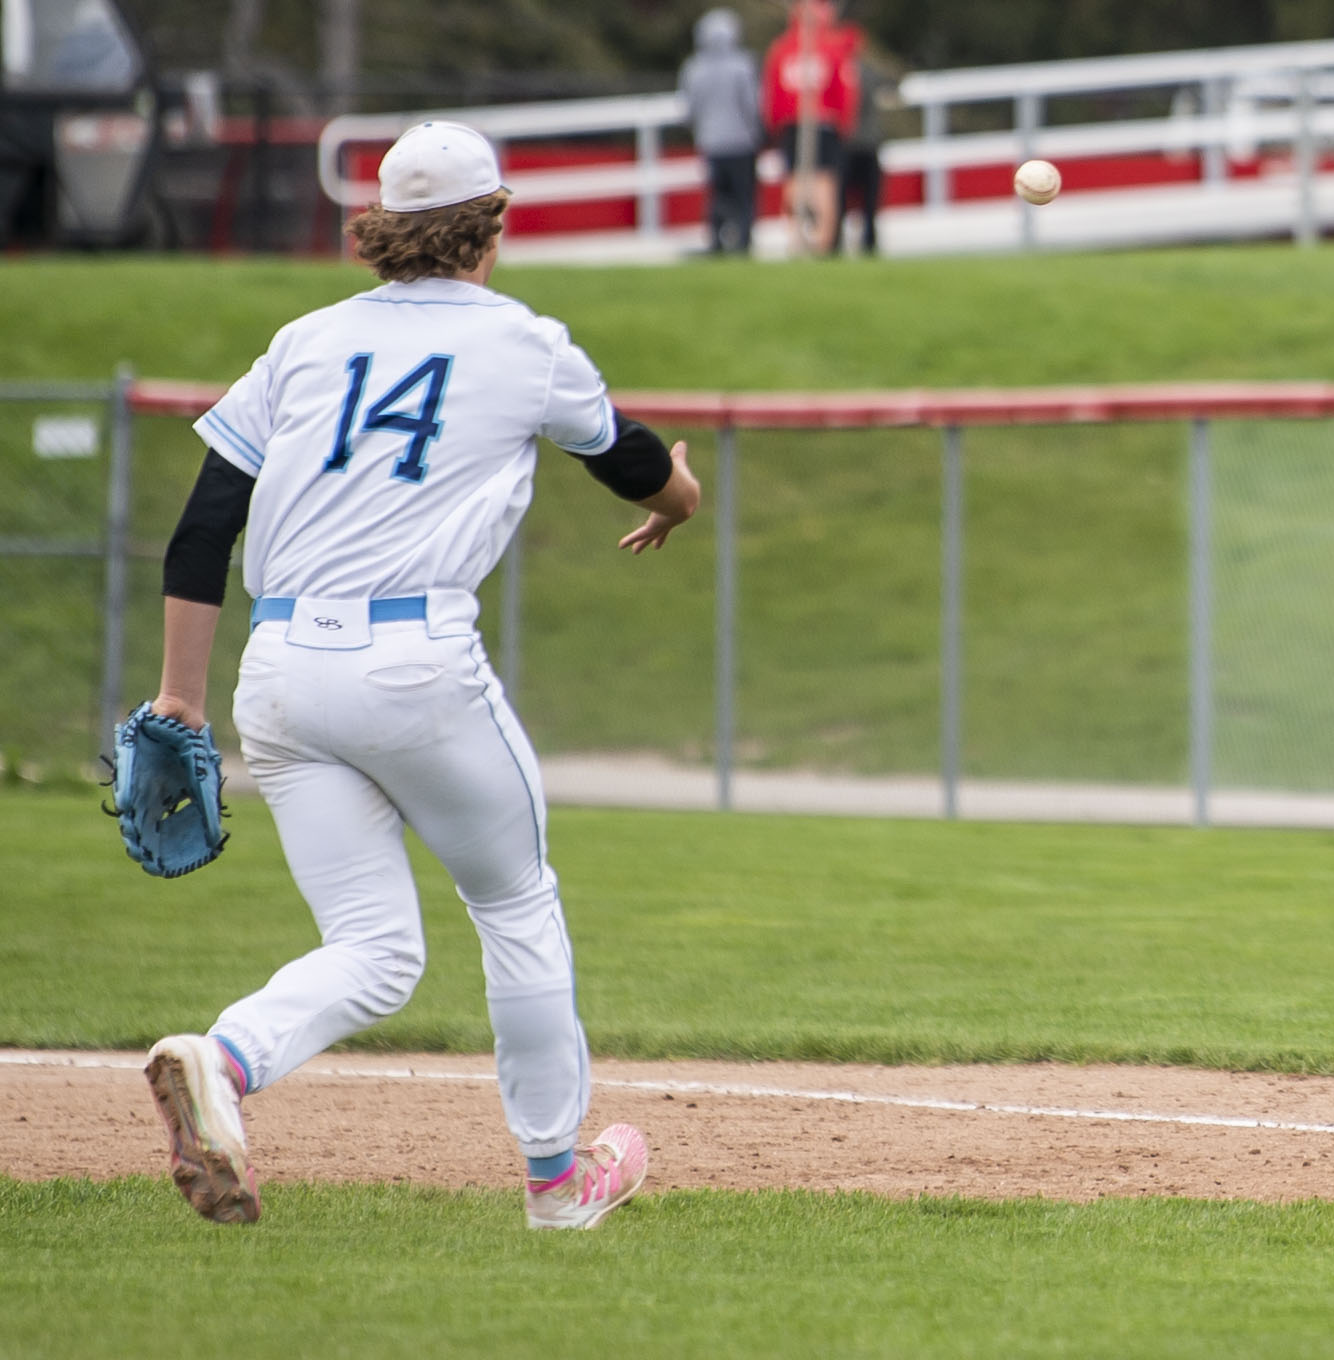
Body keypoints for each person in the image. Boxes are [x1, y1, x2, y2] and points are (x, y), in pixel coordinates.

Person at [139, 121, 702, 1229]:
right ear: (491, 228)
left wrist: (180, 698)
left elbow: (203, 529)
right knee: (515, 900)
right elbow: (632, 462)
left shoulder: (302, 341)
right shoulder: (524, 342)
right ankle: (556, 1183)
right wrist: (677, 496)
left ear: (380, 232)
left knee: (373, 948)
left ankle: (222, 1062)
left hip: (282, 672)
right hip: (414, 661)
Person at [761, 0, 858, 255]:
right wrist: (843, 124)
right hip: (821, 122)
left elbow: (772, 94)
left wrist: (774, 125)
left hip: (795, 123)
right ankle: (820, 239)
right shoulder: (829, 47)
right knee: (821, 181)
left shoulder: (782, 48)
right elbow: (843, 91)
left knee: (798, 180)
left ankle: (801, 238)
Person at [681, 7, 763, 255]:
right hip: (741, 143)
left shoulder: (693, 68)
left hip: (711, 142)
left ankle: (717, 241)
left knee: (717, 195)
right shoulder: (742, 66)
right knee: (743, 195)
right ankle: (743, 243)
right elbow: (751, 105)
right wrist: (757, 132)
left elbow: (689, 110)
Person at [831, 37, 893, 257]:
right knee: (870, 200)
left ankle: (835, 242)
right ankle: (869, 243)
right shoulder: (869, 71)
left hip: (845, 144)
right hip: (868, 143)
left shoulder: (836, 72)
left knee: (839, 200)